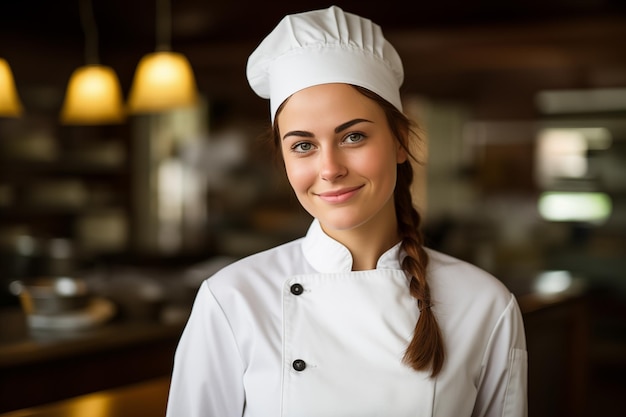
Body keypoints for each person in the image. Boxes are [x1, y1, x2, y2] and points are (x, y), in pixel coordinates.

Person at [166, 5, 527, 417]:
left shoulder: (484, 304)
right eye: (303, 145)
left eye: (353, 136)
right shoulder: (232, 299)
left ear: (400, 141)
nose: (330, 169)